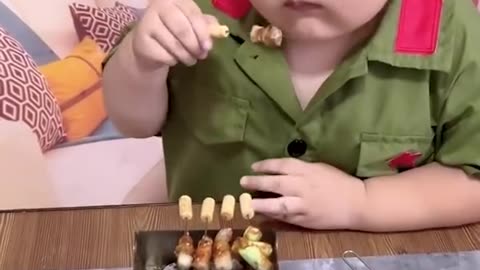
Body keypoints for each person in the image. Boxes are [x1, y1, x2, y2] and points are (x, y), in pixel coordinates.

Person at [102, 0, 480, 232]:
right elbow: (135, 122)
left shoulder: (455, 30)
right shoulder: (196, 8)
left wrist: (362, 203)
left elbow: (471, 179)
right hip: (207, 243)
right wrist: (140, 61)